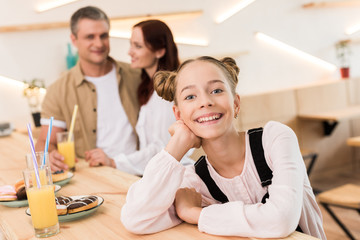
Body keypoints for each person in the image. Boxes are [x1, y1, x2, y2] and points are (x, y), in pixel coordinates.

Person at [120, 57, 326, 239]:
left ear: (236, 103)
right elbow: (136, 219)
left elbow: (281, 220)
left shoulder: (275, 139)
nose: (206, 102)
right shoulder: (194, 182)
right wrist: (176, 145)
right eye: (190, 96)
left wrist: (194, 214)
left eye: (217, 91)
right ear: (178, 115)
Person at [35, 6, 141, 172]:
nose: (98, 44)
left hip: (139, 170)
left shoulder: (137, 75)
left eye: (103, 36)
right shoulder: (58, 90)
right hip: (92, 176)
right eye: (90, 37)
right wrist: (50, 155)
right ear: (74, 39)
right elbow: (45, 143)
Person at [90, 19, 192, 175]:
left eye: (138, 46)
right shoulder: (148, 87)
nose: (130, 52)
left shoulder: (168, 94)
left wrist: (114, 162)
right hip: (157, 173)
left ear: (160, 51)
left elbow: (161, 148)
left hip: (175, 176)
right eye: (131, 44)